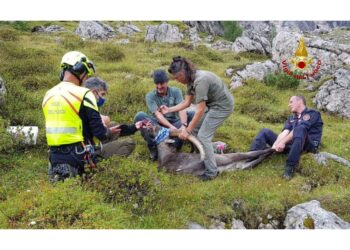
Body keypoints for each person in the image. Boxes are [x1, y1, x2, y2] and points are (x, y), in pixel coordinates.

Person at [42, 51, 144, 182]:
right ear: (80, 70)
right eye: (86, 76)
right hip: (79, 155)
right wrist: (107, 131)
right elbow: (100, 133)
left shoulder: (48, 94)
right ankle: (98, 174)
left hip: (55, 157)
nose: (85, 80)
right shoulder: (84, 93)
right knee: (128, 143)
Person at [159, 56, 234, 181]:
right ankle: (201, 154)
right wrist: (169, 109)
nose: (177, 80)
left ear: (183, 73)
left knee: (204, 136)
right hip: (212, 105)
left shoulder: (200, 81)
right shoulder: (190, 81)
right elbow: (186, 103)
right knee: (195, 130)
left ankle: (211, 172)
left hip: (222, 107)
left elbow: (199, 110)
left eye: (177, 77)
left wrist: (187, 130)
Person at [250, 95, 323, 180]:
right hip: (292, 145)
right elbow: (285, 132)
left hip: (308, 146)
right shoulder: (292, 117)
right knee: (265, 131)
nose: (289, 105)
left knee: (300, 128)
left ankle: (290, 167)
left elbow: (298, 130)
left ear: (300, 102)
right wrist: (275, 146)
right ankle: (250, 157)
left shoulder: (312, 113)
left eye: (291, 102)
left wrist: (282, 142)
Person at [134, 69, 194, 161]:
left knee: (192, 114)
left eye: (161, 83)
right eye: (157, 84)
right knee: (140, 116)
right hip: (158, 125)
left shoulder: (176, 91)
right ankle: (153, 148)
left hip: (175, 122)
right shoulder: (150, 96)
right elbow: (158, 115)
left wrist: (183, 125)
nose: (159, 86)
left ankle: (175, 146)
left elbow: (182, 109)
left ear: (167, 82)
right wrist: (170, 127)